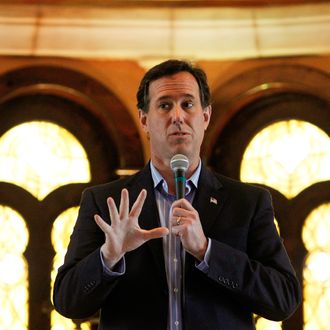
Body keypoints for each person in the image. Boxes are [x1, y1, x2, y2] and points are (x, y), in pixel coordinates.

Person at [53, 59, 301, 330]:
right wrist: (108, 256)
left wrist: (207, 251)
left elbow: (283, 299)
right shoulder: (105, 202)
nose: (177, 117)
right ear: (144, 120)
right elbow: (67, 302)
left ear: (205, 116)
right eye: (164, 105)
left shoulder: (248, 202)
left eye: (188, 104)